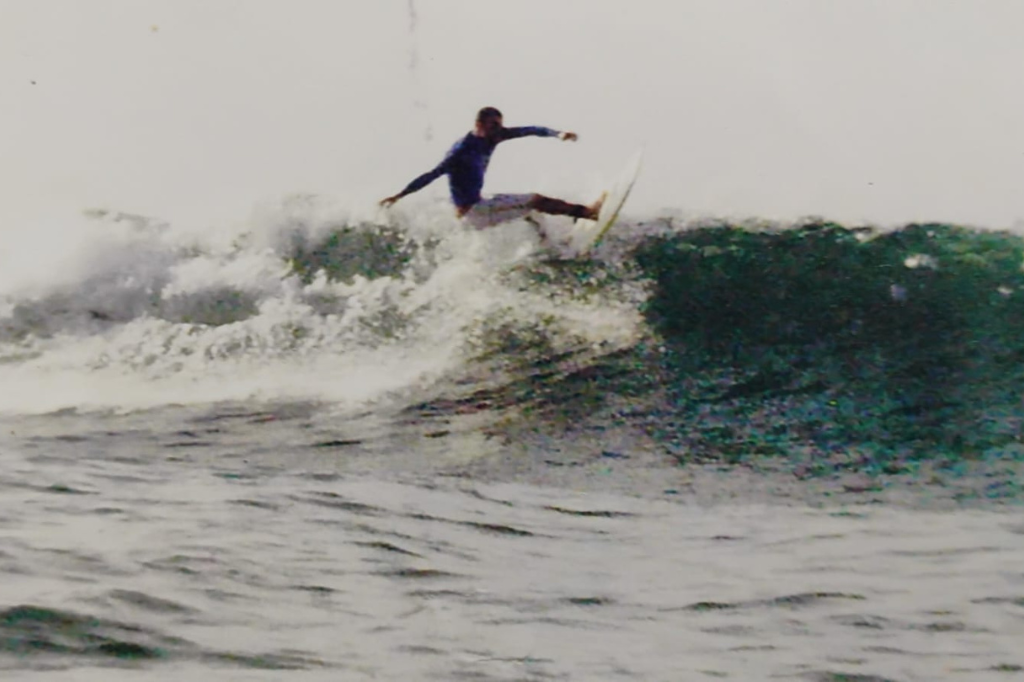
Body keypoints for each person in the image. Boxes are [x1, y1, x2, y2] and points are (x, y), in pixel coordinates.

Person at [379, 107, 603, 230]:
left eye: (500, 124)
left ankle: (553, 249)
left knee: (531, 212)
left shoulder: (495, 137)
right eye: (494, 125)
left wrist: (558, 134)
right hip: (472, 211)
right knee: (536, 200)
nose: (500, 129)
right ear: (479, 125)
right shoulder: (461, 151)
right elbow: (431, 175)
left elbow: (531, 130)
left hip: (479, 203)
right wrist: (399, 195)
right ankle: (587, 213)